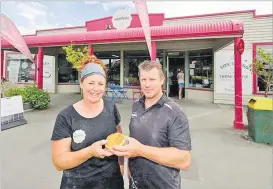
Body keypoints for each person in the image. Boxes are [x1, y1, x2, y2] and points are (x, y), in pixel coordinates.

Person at [111, 61, 192, 189]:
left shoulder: (175, 112)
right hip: (136, 183)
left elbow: (184, 160)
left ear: (162, 80)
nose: (147, 84)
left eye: (152, 79)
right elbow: (137, 141)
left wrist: (140, 150)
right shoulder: (136, 105)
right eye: (143, 79)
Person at [51, 55, 124, 189]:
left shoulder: (111, 107)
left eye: (100, 84)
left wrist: (121, 166)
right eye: (91, 83)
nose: (95, 88)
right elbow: (59, 162)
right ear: (81, 83)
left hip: (112, 182)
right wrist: (90, 151)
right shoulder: (66, 117)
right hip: (77, 184)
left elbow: (119, 138)